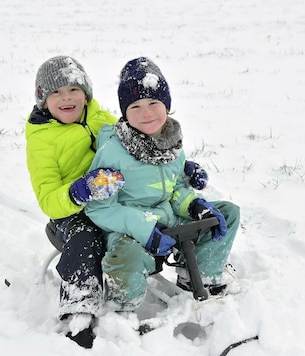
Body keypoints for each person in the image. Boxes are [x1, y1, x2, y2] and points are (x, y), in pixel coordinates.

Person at [25, 55, 209, 348]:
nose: (66, 98)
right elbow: (48, 198)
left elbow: (139, 144)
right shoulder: (42, 140)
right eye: (56, 93)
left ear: (86, 94)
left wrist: (179, 166)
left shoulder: (100, 118)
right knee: (86, 237)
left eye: (74, 90)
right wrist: (79, 191)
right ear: (42, 100)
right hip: (70, 211)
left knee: (138, 222)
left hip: (112, 198)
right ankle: (79, 307)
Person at [84, 57, 240, 313]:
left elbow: (175, 188)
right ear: (124, 112)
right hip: (129, 228)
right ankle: (122, 306)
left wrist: (194, 205)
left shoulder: (172, 144)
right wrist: (145, 229)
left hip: (169, 221)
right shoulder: (112, 151)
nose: (146, 113)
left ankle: (201, 277)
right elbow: (99, 209)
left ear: (167, 105)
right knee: (127, 255)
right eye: (136, 106)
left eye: (153, 103)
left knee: (228, 213)